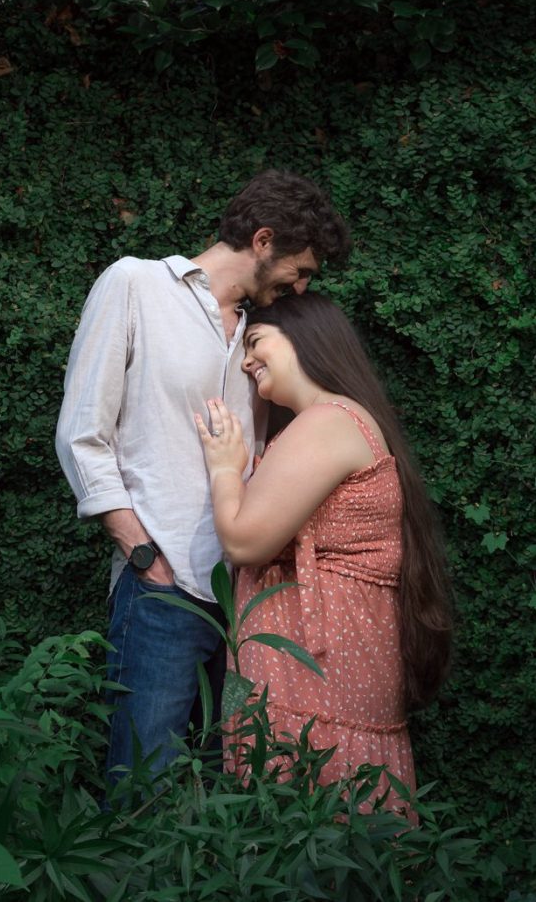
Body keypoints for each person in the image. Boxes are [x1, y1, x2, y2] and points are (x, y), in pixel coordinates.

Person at [55, 171, 350, 788]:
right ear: (263, 240)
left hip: (247, 595)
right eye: (301, 270)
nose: (302, 286)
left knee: (231, 782)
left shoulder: (264, 331)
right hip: (162, 586)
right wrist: (140, 552)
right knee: (143, 782)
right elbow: (83, 433)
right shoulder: (135, 284)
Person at [194, 291, 453, 811]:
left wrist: (225, 469)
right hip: (335, 656)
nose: (246, 361)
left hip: (319, 666)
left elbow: (245, 540)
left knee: (312, 815)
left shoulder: (329, 420)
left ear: (305, 339)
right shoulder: (340, 421)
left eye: (257, 342)